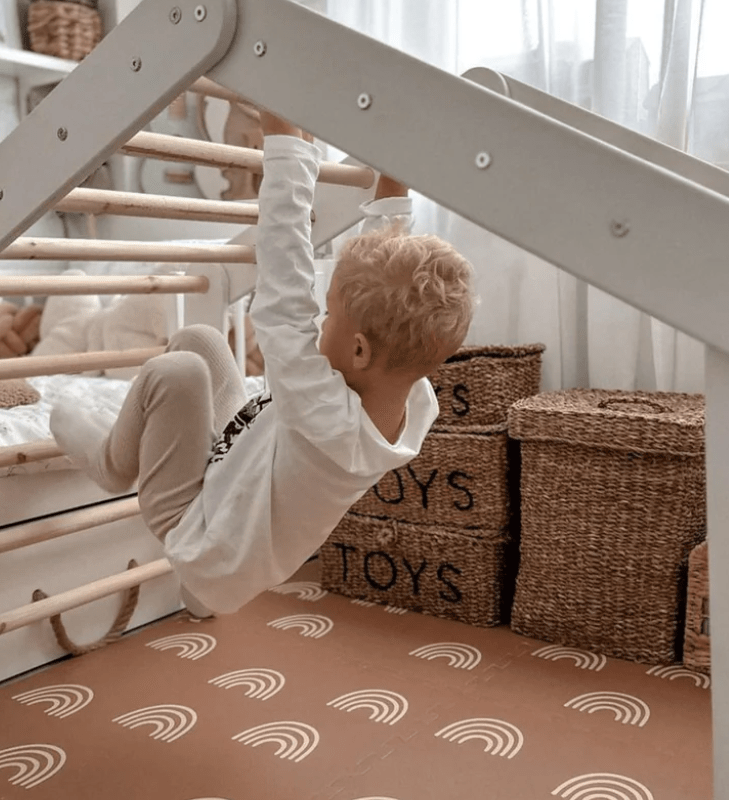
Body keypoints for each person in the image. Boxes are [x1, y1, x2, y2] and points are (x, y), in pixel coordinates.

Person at [49, 110, 476, 616]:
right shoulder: (407, 393)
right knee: (199, 340)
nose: (320, 323)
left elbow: (283, 289)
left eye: (329, 316)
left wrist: (286, 149)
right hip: (239, 486)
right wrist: (393, 185)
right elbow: (389, 285)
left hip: (194, 522)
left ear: (360, 350)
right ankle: (205, 587)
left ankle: (113, 464)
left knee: (177, 373)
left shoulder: (326, 417)